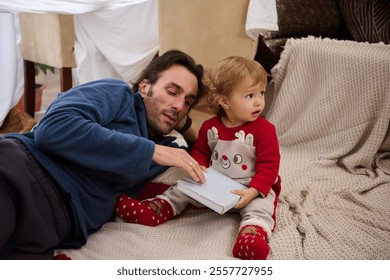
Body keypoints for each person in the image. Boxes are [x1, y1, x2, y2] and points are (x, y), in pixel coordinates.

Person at [0, 49, 206, 260]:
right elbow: (53, 128)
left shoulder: (167, 151)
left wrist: (184, 123)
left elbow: (207, 150)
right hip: (22, 174)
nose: (179, 106)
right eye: (172, 92)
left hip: (51, 228)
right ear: (144, 87)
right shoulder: (117, 94)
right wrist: (150, 151)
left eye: (188, 102)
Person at [115, 56, 282, 260]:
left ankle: (251, 235)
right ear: (224, 101)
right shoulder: (210, 127)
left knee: (261, 207)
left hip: (249, 187)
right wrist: (200, 168)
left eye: (261, 93)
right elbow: (200, 152)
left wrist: (254, 191)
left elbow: (269, 166)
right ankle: (156, 209)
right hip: (216, 184)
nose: (259, 101)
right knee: (183, 188)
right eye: (249, 96)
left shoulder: (264, 129)